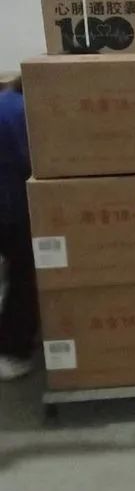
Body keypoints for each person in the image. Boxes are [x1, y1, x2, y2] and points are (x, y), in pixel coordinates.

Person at [0, 76, 38, 380]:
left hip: (8, 205)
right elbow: (36, 161)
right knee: (26, 276)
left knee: (18, 272)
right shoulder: (21, 112)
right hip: (11, 209)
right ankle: (12, 352)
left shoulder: (7, 103)